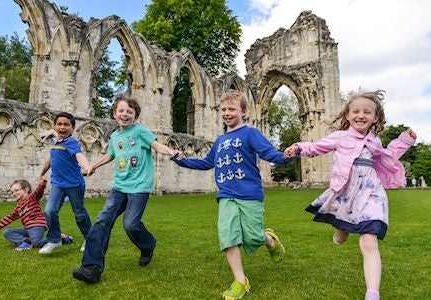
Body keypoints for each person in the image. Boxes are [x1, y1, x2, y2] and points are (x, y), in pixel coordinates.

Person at [284, 90, 416, 300]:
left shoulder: (374, 141)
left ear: (375, 118)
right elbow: (317, 147)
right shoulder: (340, 137)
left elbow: (388, 156)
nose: (361, 115)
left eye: (367, 112)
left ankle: (372, 293)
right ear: (347, 115)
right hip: (345, 194)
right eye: (356, 111)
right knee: (341, 234)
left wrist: (404, 141)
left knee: (369, 240)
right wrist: (298, 147)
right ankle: (340, 232)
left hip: (372, 194)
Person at [172, 89, 294, 299]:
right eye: (224, 109)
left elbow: (269, 153)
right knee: (227, 236)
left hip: (250, 194)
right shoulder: (219, 141)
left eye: (232, 109)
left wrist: (287, 156)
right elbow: (206, 163)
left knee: (253, 237)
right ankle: (240, 281)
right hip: (226, 195)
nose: (227, 113)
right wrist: (181, 160)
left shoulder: (250, 133)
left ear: (244, 112)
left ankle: (269, 240)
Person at [72, 95, 177, 283]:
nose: (125, 114)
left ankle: (148, 244)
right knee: (102, 221)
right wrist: (92, 167)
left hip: (139, 186)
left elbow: (155, 145)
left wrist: (171, 151)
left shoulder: (140, 131)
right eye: (121, 111)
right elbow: (110, 155)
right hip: (119, 186)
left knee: (130, 225)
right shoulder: (115, 136)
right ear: (115, 114)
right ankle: (91, 268)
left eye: (129, 111)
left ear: (135, 115)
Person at [38, 112, 92, 254]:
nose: (62, 127)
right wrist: (42, 173)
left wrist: (87, 167)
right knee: (50, 211)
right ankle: (55, 240)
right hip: (57, 184)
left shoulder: (71, 142)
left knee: (79, 214)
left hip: (74, 184)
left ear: (72, 128)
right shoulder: (56, 142)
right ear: (54, 126)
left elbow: (79, 156)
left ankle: (91, 239)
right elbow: (50, 159)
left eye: (66, 124)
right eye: (59, 124)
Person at [0, 179, 73, 251]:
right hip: (27, 228)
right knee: (8, 232)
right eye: (12, 192)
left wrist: (42, 184)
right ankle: (26, 242)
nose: (14, 193)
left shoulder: (31, 198)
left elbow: (38, 192)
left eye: (16, 190)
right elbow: (7, 219)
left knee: (37, 243)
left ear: (26, 189)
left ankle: (60, 238)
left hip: (37, 225)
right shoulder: (18, 207)